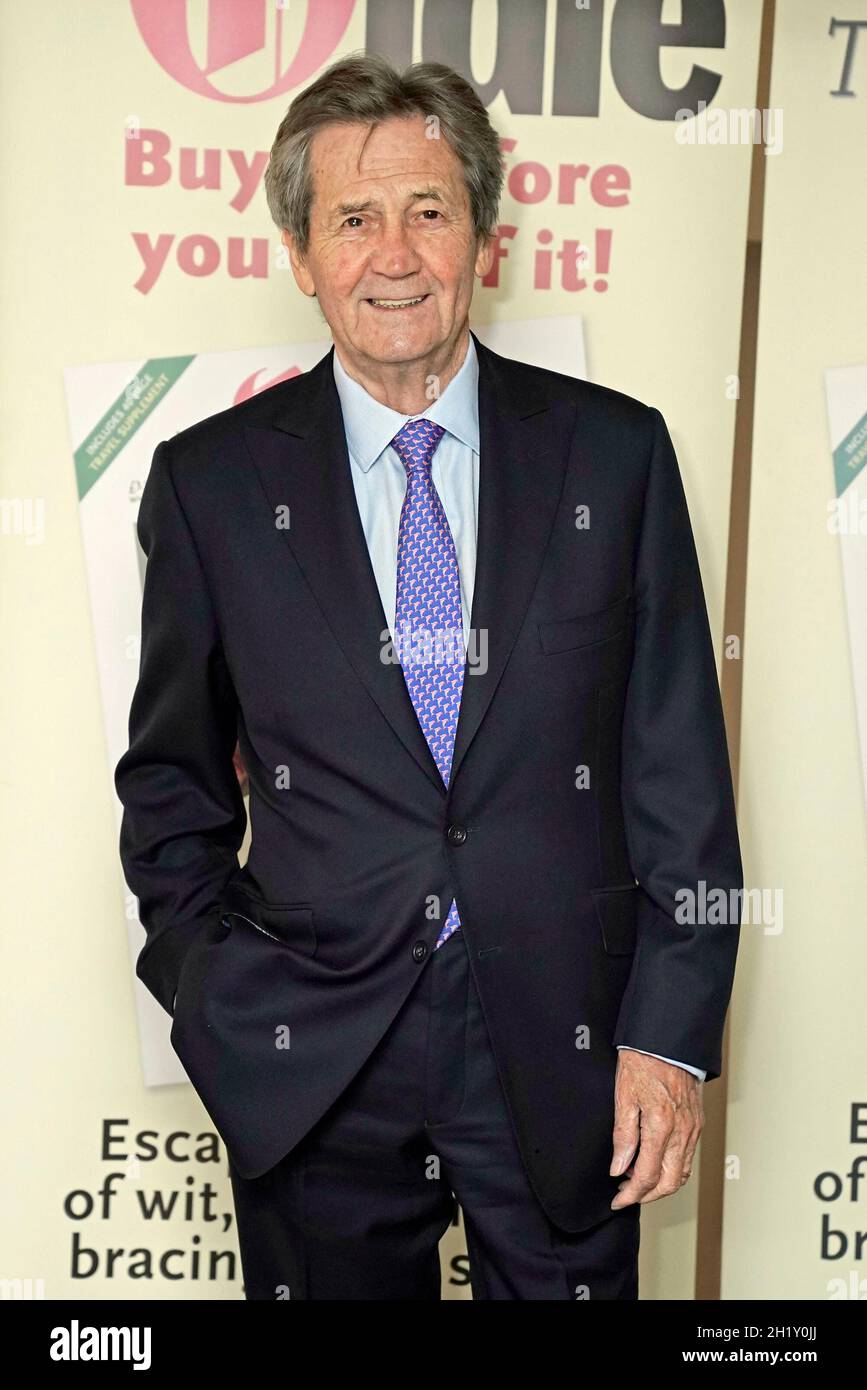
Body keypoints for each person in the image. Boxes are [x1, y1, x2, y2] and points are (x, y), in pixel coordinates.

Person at [114, 53, 742, 1301]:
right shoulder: (211, 487)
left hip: (566, 1050)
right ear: (301, 252)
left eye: (428, 210)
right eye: (353, 218)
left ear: (484, 239)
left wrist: (668, 1036)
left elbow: (680, 779)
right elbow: (170, 786)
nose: (393, 252)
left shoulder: (615, 458)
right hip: (315, 1053)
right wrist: (219, 1000)